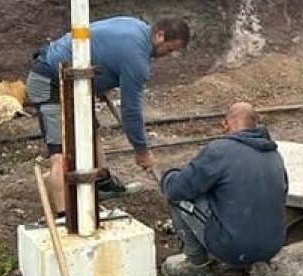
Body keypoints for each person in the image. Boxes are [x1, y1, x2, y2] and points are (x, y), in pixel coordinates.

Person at [24, 16, 189, 212]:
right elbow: (131, 110)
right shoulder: (137, 57)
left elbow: (100, 47)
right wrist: (141, 150)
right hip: (50, 80)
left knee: (90, 132)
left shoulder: (135, 26)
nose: (167, 55)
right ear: (160, 35)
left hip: (76, 80)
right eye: (169, 49)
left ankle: (103, 183)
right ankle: (63, 214)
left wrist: (102, 80)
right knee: (60, 155)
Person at [159, 102, 288, 276]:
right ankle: (253, 261)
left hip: (234, 248)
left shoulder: (220, 150)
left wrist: (168, 177)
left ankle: (197, 265)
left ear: (225, 124)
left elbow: (177, 189)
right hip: (272, 246)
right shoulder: (275, 155)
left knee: (180, 198)